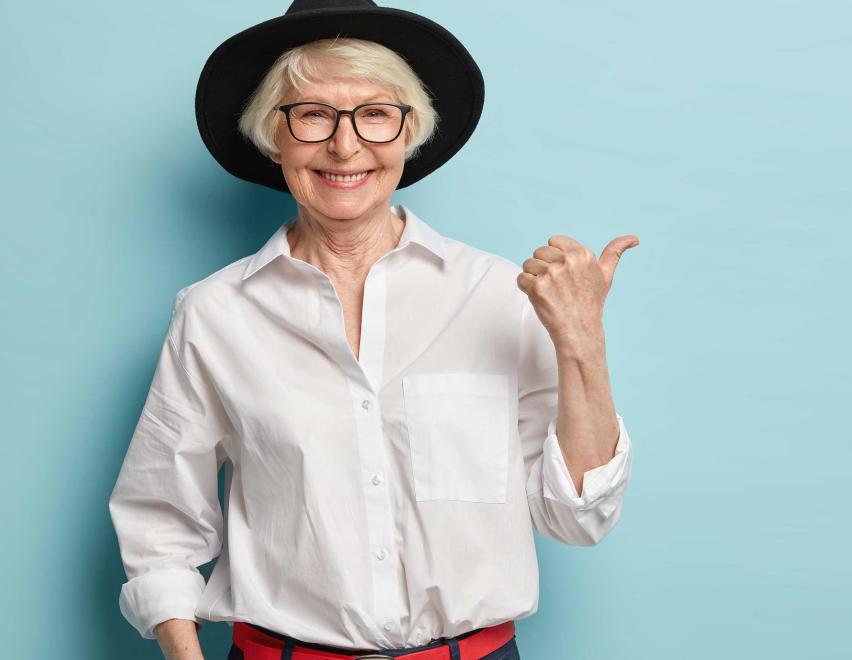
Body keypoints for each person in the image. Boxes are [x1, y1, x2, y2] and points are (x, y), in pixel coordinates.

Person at [107, 2, 639, 659]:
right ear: (273, 138)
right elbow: (158, 523)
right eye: (312, 114)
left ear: (410, 134)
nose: (345, 145)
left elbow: (579, 517)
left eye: (376, 114)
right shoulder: (214, 314)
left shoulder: (499, 294)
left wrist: (582, 340)